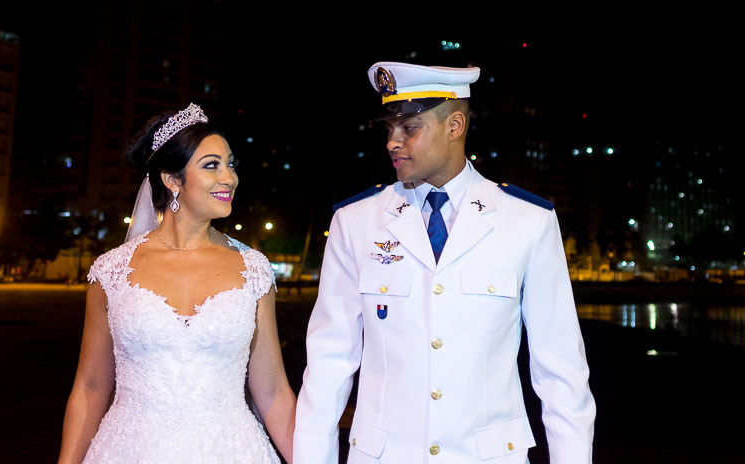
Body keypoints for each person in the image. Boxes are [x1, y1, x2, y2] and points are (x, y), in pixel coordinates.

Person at [293, 62, 596, 463]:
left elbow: (561, 373)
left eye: (410, 128)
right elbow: (329, 363)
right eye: (389, 129)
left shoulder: (528, 221)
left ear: (455, 126)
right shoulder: (355, 222)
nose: (392, 142)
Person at [58, 104, 296, 464]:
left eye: (230, 164)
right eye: (211, 165)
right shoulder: (112, 272)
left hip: (231, 452)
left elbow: (274, 391)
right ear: (172, 179)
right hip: (129, 452)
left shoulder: (254, 270)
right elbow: (90, 389)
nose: (228, 177)